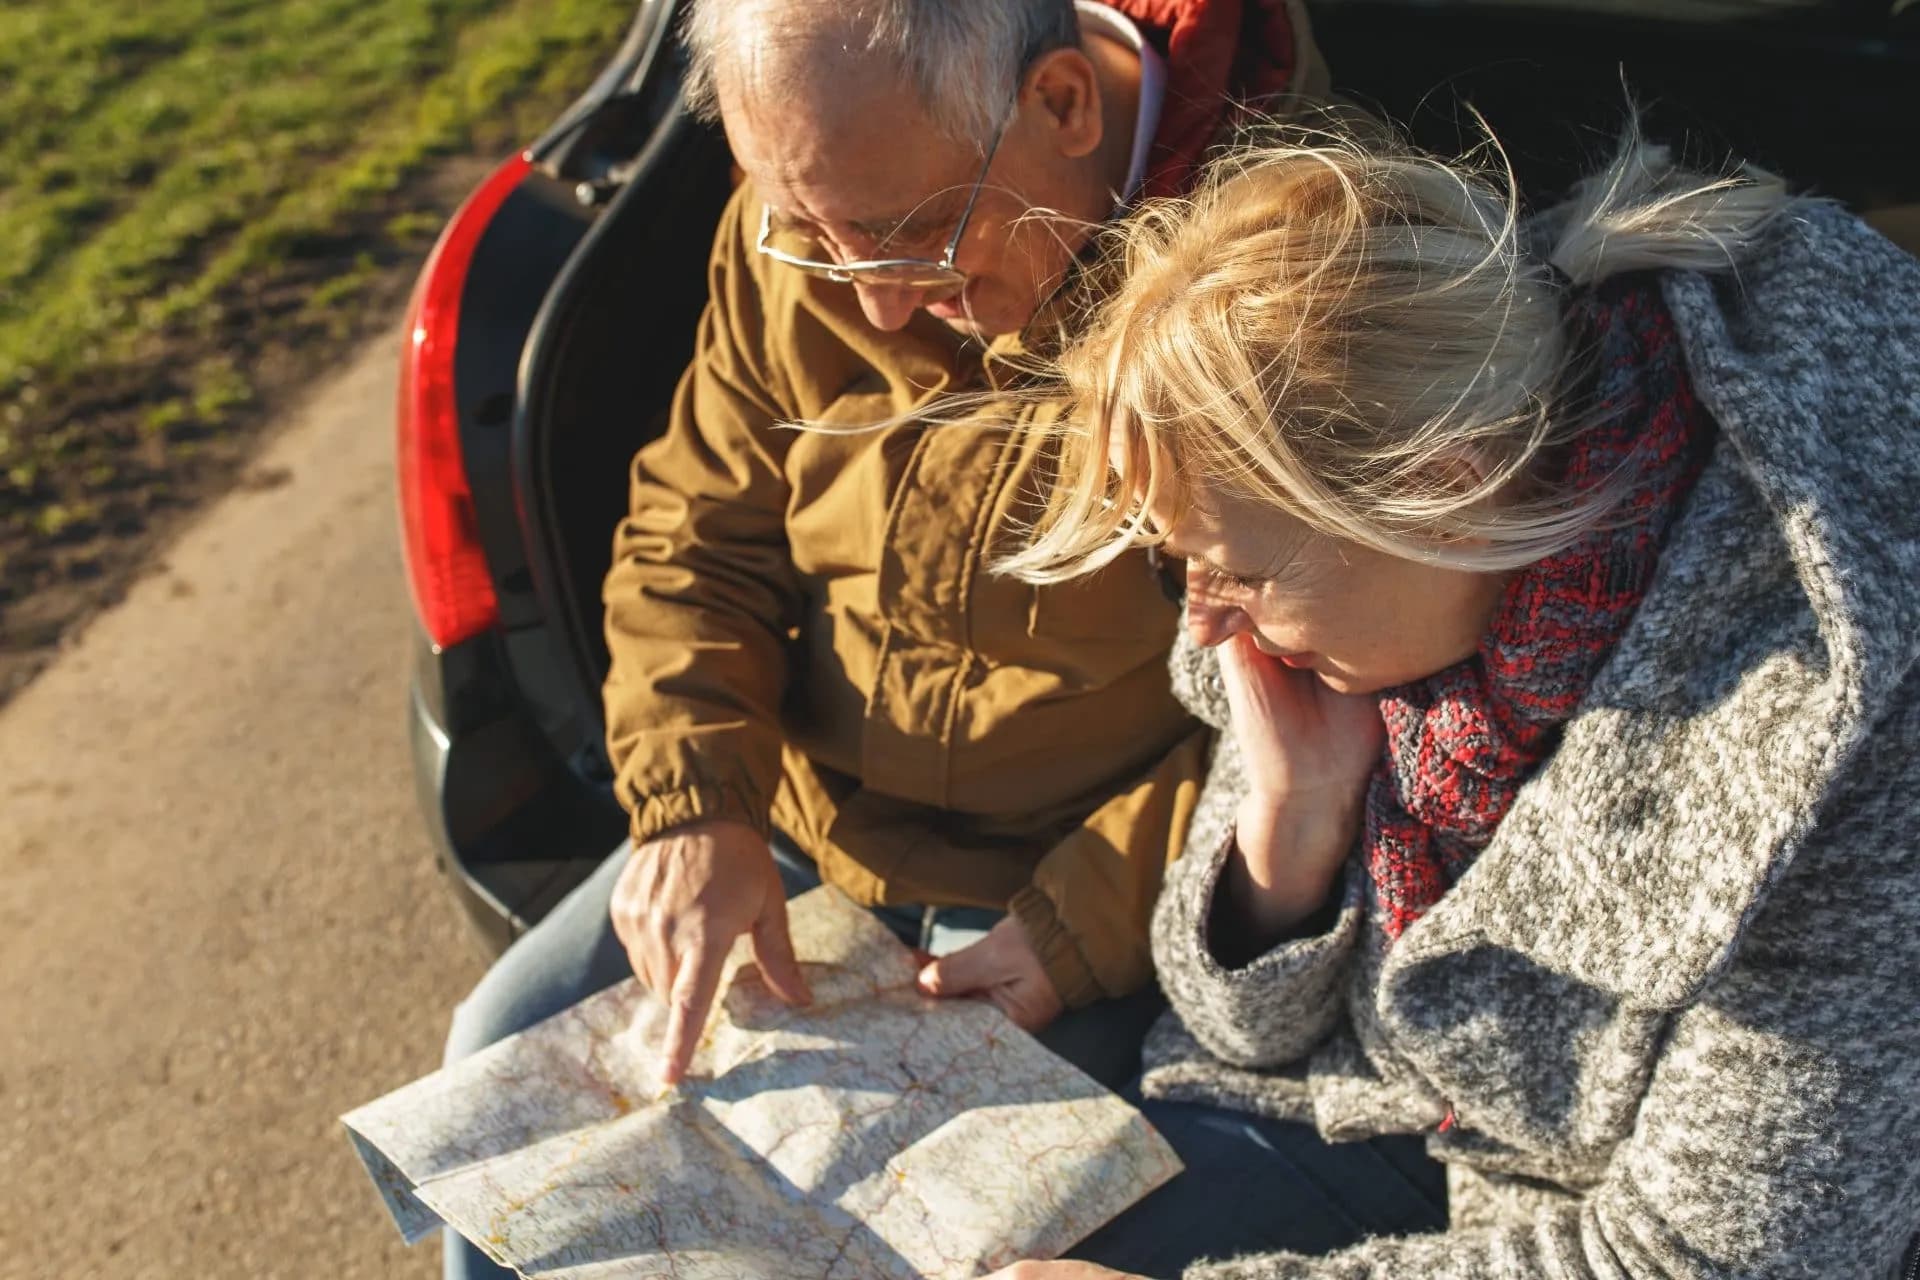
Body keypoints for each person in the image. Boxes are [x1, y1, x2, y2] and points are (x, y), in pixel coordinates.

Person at [443, 2, 1326, 1276]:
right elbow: (702, 529)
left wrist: (1084, 924)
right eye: (812, 238)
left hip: (1064, 913)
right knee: (499, 1107)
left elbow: (1312, 701)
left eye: (913, 235)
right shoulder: (818, 202)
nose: (879, 303)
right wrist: (699, 806)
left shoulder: (1279, 283)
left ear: (1066, 103)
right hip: (789, 837)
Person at [978, 121, 1920, 1278]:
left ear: (1442, 493)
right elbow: (1233, 1030)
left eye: (1239, 572)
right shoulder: (1397, 548)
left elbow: (1721, 1260)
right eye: (1184, 567)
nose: (1205, 622)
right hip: (1380, 1131)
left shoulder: (1843, 729)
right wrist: (1292, 822)